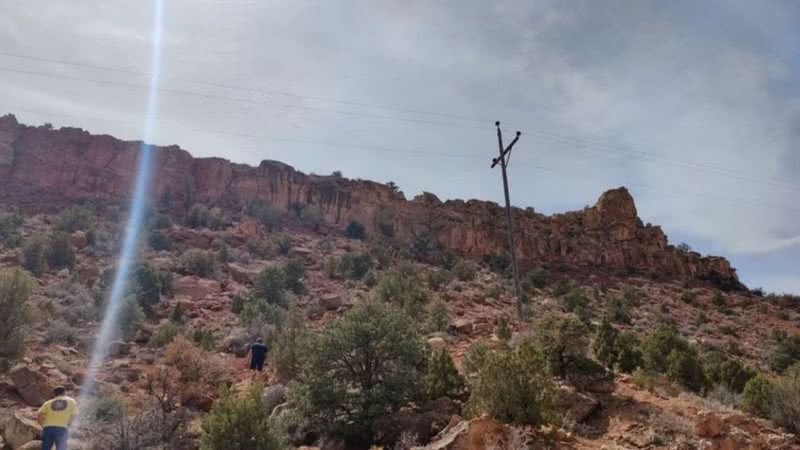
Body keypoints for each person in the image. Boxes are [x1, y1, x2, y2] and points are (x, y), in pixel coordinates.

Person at [37, 386, 78, 450]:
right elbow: (74, 415)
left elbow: (39, 414)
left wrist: (42, 425)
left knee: (45, 448)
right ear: (64, 392)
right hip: (62, 428)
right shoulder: (71, 401)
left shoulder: (48, 403)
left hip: (48, 428)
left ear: (54, 394)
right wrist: (68, 424)